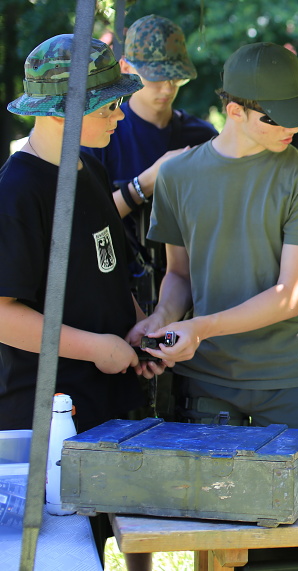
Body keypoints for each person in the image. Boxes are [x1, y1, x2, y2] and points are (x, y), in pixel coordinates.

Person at [130, 42, 298, 456]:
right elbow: (180, 275)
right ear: (235, 111)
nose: (291, 127)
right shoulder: (175, 175)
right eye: (276, 117)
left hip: (288, 378)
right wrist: (161, 321)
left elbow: (289, 297)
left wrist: (200, 328)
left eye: (297, 111)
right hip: (206, 379)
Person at [0, 34, 157, 571]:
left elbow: (108, 269)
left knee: (101, 544)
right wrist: (95, 348)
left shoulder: (88, 170)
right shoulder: (18, 190)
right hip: (45, 418)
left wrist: (136, 329)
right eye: (110, 103)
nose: (121, 114)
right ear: (67, 113)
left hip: (100, 401)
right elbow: (3, 315)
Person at [83, 14, 218, 313]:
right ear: (126, 68)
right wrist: (146, 183)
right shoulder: (102, 136)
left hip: (194, 296)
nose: (167, 88)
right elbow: (82, 225)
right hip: (118, 295)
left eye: (176, 77)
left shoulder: (203, 136)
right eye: (156, 77)